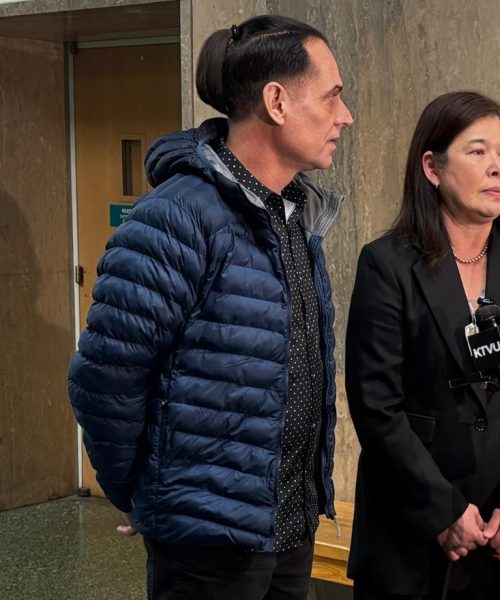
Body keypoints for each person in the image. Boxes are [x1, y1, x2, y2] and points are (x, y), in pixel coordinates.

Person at [67, 14, 352, 600]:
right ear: (276, 101)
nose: (344, 116)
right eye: (332, 97)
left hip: (289, 527)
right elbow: (105, 379)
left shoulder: (295, 214)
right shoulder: (176, 218)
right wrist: (150, 493)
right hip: (206, 541)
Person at [345, 91, 500, 600]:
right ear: (432, 166)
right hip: (410, 532)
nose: (498, 168)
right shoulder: (387, 265)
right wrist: (442, 509)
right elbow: (376, 406)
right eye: (478, 152)